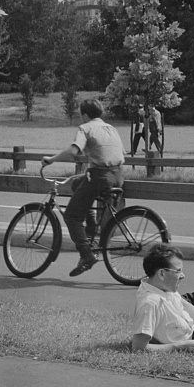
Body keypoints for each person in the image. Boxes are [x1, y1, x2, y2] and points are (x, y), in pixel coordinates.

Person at [42, 98, 126, 277]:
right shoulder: (112, 128)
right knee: (76, 183)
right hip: (118, 176)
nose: (80, 118)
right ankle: (90, 227)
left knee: (71, 216)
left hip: (100, 177)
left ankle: (86, 255)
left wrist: (51, 159)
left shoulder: (85, 128)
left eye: (80, 114)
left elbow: (73, 152)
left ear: (85, 115)